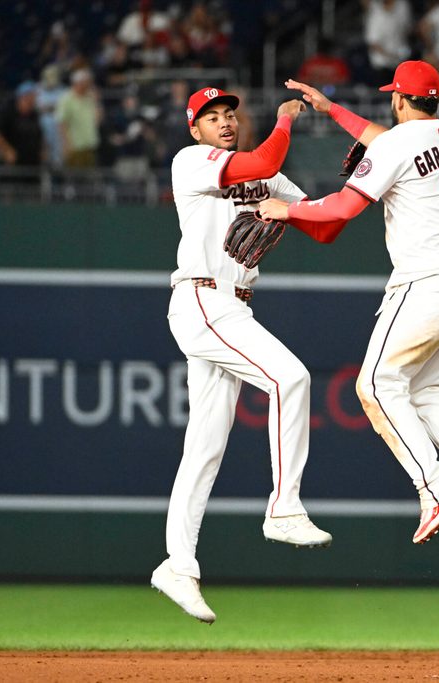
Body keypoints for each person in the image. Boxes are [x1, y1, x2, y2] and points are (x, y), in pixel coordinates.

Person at [258, 61, 439, 545]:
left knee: (375, 385)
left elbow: (343, 208)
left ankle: (434, 487)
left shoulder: (398, 143)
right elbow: (386, 140)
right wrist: (332, 110)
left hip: (428, 286)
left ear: (398, 99)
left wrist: (284, 209)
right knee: (428, 392)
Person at [151, 87, 332, 624]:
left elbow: (323, 222)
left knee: (204, 444)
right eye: (212, 117)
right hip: (204, 299)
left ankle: (176, 565)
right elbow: (263, 159)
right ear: (195, 129)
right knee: (290, 379)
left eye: (229, 113)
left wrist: (366, 182)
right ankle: (284, 508)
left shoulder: (264, 178)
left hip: (234, 305)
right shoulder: (193, 162)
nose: (224, 122)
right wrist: (283, 121)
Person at [0, 81, 44, 167]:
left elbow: (39, 135)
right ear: (23, 97)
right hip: (14, 166)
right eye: (31, 96)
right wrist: (6, 150)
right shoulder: (8, 112)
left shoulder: (34, 115)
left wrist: (42, 151)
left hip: (33, 165)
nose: (34, 100)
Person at [56, 68, 102, 168]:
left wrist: (98, 102)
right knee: (76, 176)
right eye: (87, 82)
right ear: (78, 83)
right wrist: (66, 144)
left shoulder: (90, 97)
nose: (89, 85)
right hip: (75, 146)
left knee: (89, 176)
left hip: (90, 144)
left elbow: (98, 120)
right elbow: (61, 123)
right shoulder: (66, 99)